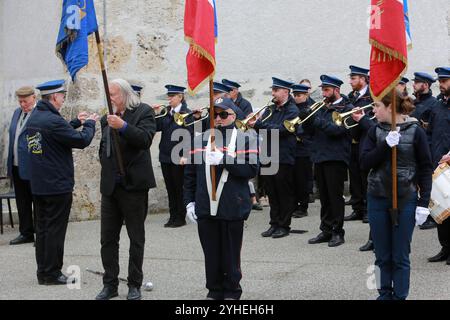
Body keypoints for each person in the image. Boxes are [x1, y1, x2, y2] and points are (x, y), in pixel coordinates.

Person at [184, 97, 259, 300]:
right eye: (214, 114)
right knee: (211, 253)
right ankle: (214, 290)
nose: (218, 118)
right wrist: (189, 202)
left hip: (232, 205)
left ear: (234, 116)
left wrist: (225, 160)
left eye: (223, 114)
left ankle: (232, 291)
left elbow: (251, 169)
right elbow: (190, 174)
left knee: (230, 253)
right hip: (205, 205)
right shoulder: (199, 139)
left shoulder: (245, 138)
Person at [361, 89, 432, 300]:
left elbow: (425, 167)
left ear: (390, 107)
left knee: (400, 256)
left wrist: (423, 202)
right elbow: (364, 163)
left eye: (377, 106)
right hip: (377, 197)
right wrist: (385, 145)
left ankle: (400, 296)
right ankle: (384, 295)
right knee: (382, 256)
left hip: (405, 198)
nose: (373, 110)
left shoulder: (415, 130)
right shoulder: (374, 131)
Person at [26, 80, 97, 285]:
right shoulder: (52, 120)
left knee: (43, 230)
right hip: (56, 186)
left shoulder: (37, 117)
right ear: (54, 97)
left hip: (40, 185)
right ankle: (52, 273)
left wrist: (74, 122)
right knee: (55, 231)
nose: (64, 98)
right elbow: (81, 141)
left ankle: (44, 271)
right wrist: (90, 124)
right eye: (62, 95)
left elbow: (54, 135)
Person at [96, 79, 156, 300]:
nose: (109, 98)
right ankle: (109, 284)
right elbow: (104, 149)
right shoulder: (106, 119)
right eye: (108, 94)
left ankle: (134, 284)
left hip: (134, 187)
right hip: (110, 187)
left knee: (135, 238)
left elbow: (145, 140)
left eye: (113, 94)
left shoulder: (143, 112)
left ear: (125, 94)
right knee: (108, 239)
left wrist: (123, 127)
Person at [303, 75, 353, 247]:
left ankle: (338, 232)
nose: (323, 93)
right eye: (323, 89)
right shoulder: (321, 108)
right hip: (319, 156)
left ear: (336, 90)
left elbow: (337, 131)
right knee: (323, 196)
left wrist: (316, 121)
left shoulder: (347, 108)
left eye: (326, 90)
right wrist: (307, 119)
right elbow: (308, 132)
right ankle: (326, 229)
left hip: (336, 158)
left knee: (335, 196)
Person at [248, 77, 299, 239]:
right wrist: (255, 123)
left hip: (283, 156)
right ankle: (274, 223)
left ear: (286, 91)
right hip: (268, 154)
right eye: (273, 90)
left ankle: (284, 225)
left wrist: (259, 125)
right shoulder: (271, 109)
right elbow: (265, 129)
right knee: (272, 192)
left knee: (283, 192)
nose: (273, 93)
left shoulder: (292, 110)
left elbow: (282, 130)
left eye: (276, 90)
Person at [153, 85, 192, 227]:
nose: (169, 99)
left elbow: (190, 136)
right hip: (165, 155)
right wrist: (156, 113)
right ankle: (172, 216)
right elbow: (157, 127)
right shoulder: (166, 112)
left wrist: (186, 155)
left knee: (178, 187)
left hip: (179, 156)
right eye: (168, 96)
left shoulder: (186, 113)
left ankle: (180, 217)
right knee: (170, 188)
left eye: (172, 96)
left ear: (180, 97)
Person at [7, 86, 37, 245]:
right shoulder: (17, 113)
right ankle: (26, 233)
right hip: (16, 166)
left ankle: (41, 234)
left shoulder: (39, 114)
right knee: (22, 202)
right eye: (20, 101)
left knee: (37, 201)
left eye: (25, 101)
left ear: (34, 97)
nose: (23, 104)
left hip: (33, 166)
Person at [427, 67, 450, 265]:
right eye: (440, 81)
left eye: (444, 81)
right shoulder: (437, 105)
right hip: (437, 165)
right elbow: (430, 132)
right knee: (440, 209)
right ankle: (445, 247)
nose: (441, 85)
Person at [345, 66, 373, 223]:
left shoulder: (371, 97)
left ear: (363, 79)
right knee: (354, 176)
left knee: (366, 177)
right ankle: (357, 208)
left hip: (365, 141)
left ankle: (368, 209)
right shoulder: (351, 97)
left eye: (353, 78)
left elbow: (372, 120)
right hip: (352, 142)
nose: (350, 81)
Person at [410, 72, 438, 230]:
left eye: (417, 82)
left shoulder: (433, 104)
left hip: (427, 148)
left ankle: (431, 215)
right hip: (414, 148)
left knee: (428, 184)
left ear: (425, 85)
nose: (413, 85)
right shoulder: (415, 102)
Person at [291, 83, 314, 218]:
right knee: (294, 178)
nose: (296, 98)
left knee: (302, 179)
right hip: (293, 148)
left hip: (304, 148)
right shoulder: (294, 108)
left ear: (306, 95)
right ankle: (294, 205)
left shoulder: (310, 109)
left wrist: (301, 136)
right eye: (294, 95)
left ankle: (303, 206)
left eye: (299, 95)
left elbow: (311, 130)